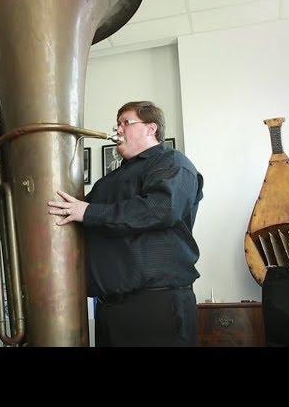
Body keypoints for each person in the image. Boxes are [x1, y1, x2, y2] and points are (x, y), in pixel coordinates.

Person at [48, 101, 204, 347]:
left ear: (151, 129)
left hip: (157, 308)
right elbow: (72, 219)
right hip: (110, 310)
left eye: (126, 123)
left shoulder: (172, 162)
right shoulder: (107, 183)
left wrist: (89, 212)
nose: (118, 129)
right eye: (117, 124)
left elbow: (161, 209)